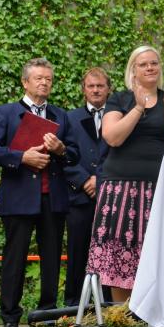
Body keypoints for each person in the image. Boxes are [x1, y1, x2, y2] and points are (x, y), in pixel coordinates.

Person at [0, 58, 80, 327]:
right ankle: (10, 318)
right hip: (18, 198)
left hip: (53, 198)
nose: (45, 82)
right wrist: (21, 157)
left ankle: (46, 315)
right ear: (25, 82)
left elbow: (74, 155)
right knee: (14, 259)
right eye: (38, 78)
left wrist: (60, 149)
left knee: (51, 259)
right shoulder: (7, 113)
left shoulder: (61, 115)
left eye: (48, 78)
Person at [86, 45, 164, 302]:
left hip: (161, 188)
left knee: (159, 252)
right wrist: (139, 108)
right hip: (122, 189)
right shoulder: (120, 99)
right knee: (121, 252)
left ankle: (156, 314)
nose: (150, 67)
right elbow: (113, 137)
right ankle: (123, 318)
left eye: (154, 63)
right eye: (143, 64)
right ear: (133, 71)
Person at [62, 67, 111, 306]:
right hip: (79, 197)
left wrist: (100, 180)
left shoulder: (118, 116)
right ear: (84, 90)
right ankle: (72, 307)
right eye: (91, 86)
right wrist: (83, 180)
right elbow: (63, 155)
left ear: (108, 89)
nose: (95, 90)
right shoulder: (68, 118)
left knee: (110, 253)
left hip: (110, 196)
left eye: (100, 86)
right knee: (77, 253)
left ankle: (111, 308)